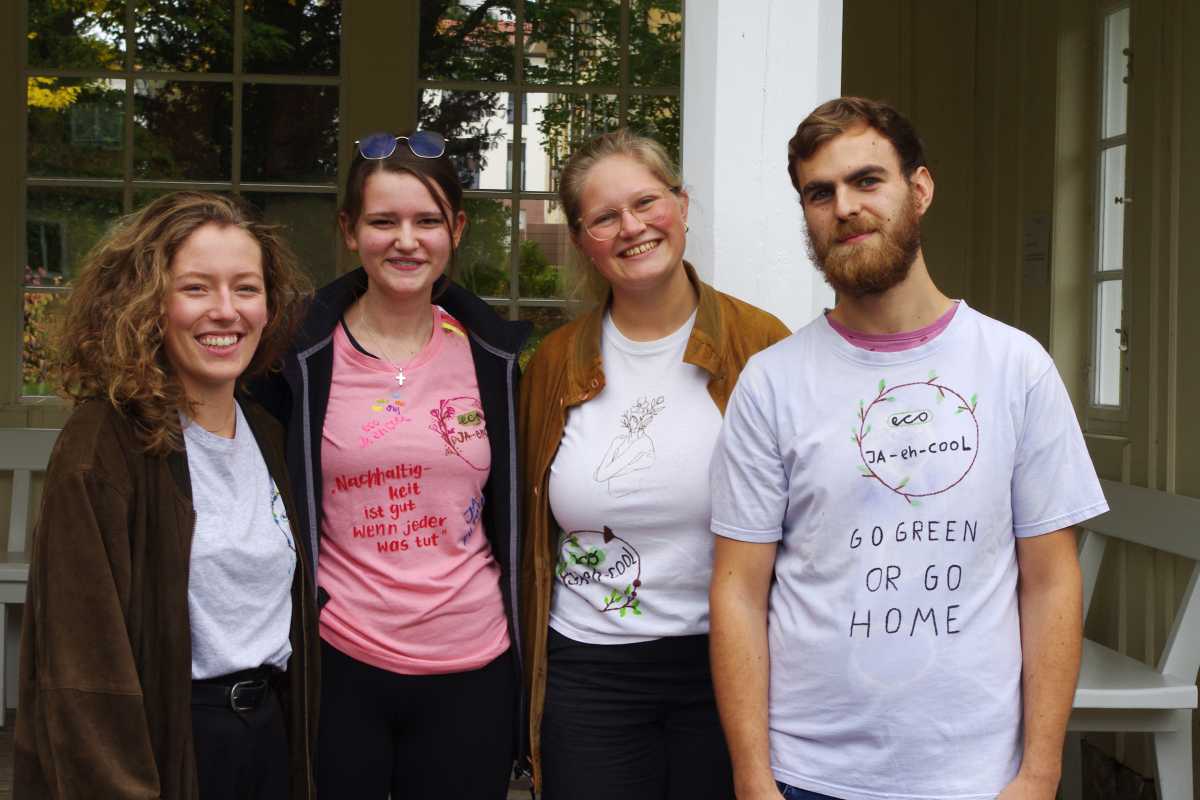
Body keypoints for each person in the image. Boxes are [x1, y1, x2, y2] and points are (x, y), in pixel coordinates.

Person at [708, 96, 1108, 800]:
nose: (845, 207)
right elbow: (739, 589)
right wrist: (752, 776)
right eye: (820, 193)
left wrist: (1040, 773)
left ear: (919, 189)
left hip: (977, 776)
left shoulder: (1015, 367)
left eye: (867, 180)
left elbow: (1051, 580)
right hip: (808, 774)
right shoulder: (771, 382)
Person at [251, 130, 529, 799]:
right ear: (349, 230)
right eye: (383, 221)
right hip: (341, 659)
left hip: (472, 662)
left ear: (456, 230)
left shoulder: (494, 358)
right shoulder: (296, 358)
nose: (406, 241)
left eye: (427, 221)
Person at [14, 191, 319, 799]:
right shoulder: (104, 444)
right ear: (148, 303)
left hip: (266, 737)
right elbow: (81, 668)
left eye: (246, 288)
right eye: (196, 288)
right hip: (166, 743)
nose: (226, 311)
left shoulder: (267, 433)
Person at [519, 128, 791, 800]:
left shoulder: (763, 345)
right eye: (605, 217)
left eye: (646, 202)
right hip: (590, 670)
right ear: (582, 240)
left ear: (682, 205)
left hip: (728, 665)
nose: (632, 227)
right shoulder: (553, 363)